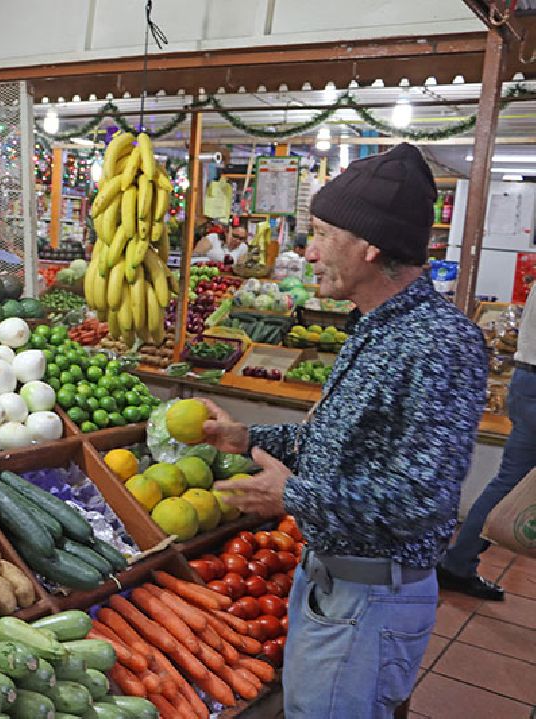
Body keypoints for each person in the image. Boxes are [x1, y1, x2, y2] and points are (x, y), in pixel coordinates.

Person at [201, 143, 488, 718]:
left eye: (320, 233)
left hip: (372, 598)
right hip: (335, 584)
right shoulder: (376, 325)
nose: (307, 253)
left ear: (369, 245)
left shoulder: (438, 343)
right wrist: (248, 440)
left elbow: (423, 501)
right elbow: (340, 445)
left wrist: (292, 495)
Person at [438, 287, 536, 599]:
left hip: (527, 380)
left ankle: (458, 563)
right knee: (509, 481)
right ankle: (457, 563)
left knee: (508, 481)